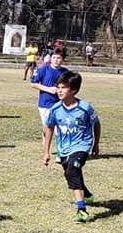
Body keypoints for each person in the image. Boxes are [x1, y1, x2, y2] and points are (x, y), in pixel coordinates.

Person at [43, 71, 100, 223]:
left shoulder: (84, 108)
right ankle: (86, 195)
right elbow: (48, 128)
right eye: (58, 87)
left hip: (82, 146)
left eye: (64, 87)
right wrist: (46, 152)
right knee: (70, 173)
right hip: (64, 149)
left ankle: (82, 210)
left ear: (73, 90)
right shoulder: (55, 109)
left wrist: (96, 144)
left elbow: (97, 124)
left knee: (73, 169)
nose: (59, 90)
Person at [31, 47, 68, 159]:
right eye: (54, 57)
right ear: (51, 58)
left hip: (61, 104)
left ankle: (60, 152)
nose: (56, 60)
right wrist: (48, 89)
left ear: (63, 60)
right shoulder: (43, 69)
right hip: (45, 104)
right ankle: (46, 133)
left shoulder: (66, 72)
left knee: (59, 127)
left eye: (59, 58)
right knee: (50, 127)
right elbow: (33, 84)